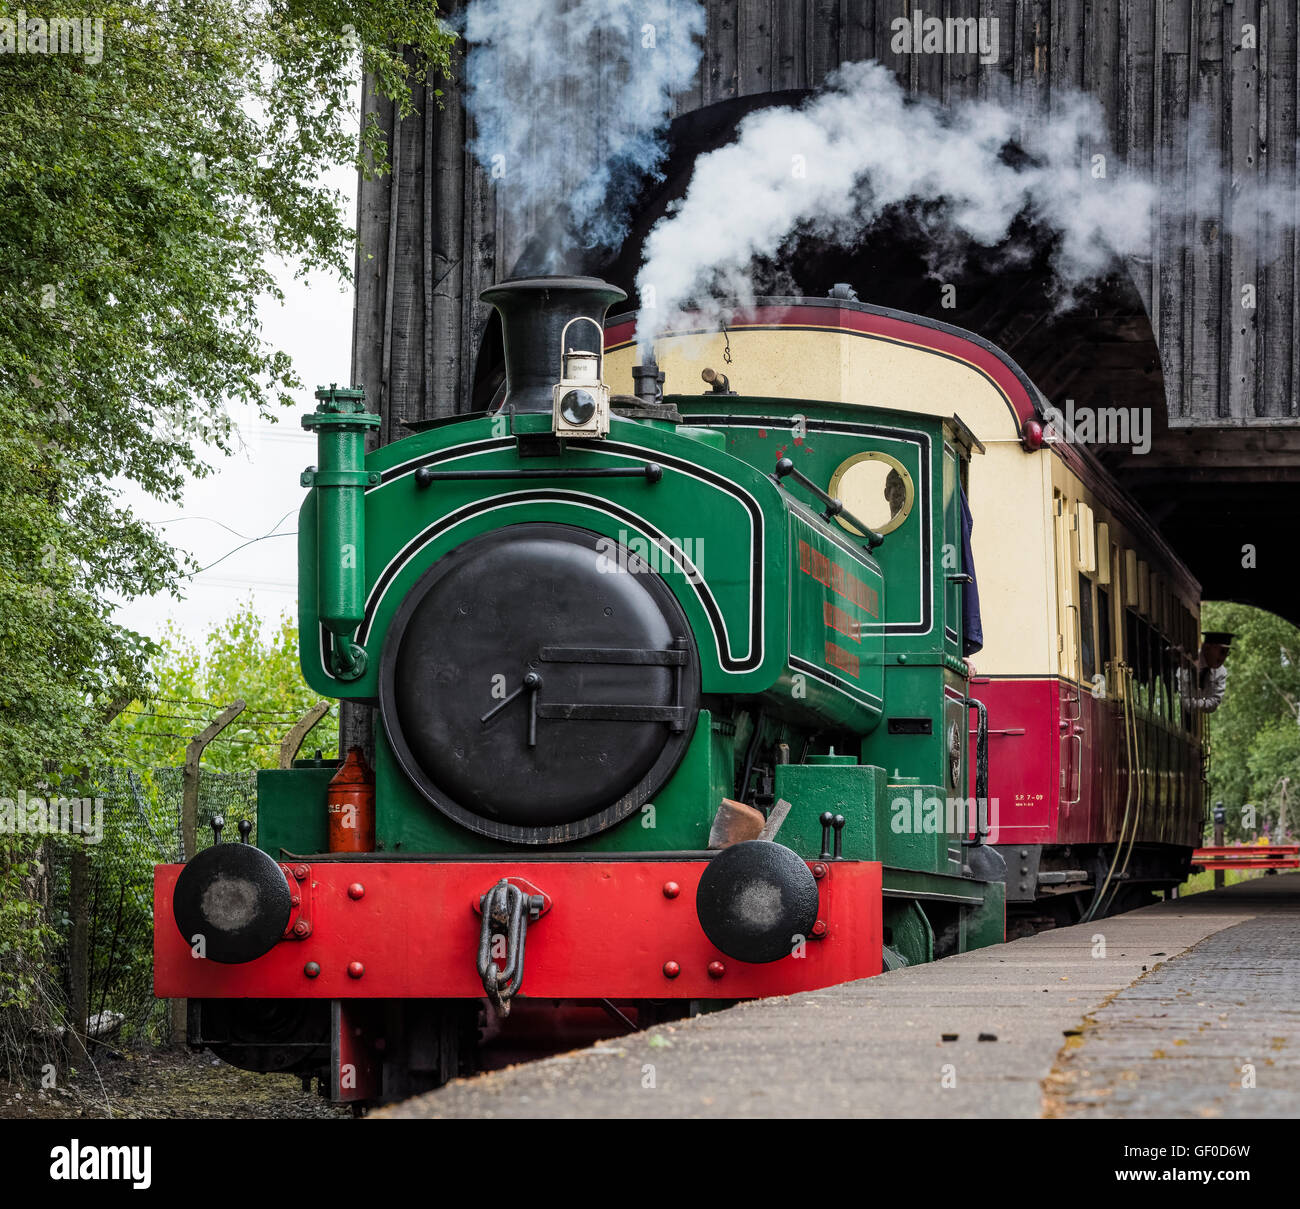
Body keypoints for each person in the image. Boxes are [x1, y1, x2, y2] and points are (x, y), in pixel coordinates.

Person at [1179, 631, 1232, 712]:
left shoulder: (1221, 672)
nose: (1223, 657)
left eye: (1227, 653)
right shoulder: (1188, 661)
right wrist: (1204, 702)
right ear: (1206, 648)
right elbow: (1185, 701)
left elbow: (1214, 702)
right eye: (1222, 652)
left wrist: (1196, 703)